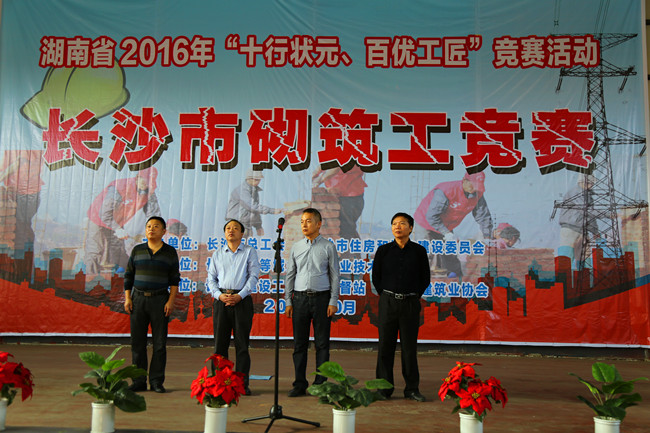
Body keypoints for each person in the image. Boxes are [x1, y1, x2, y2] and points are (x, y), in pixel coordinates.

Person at [372, 212, 430, 402]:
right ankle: (383, 389)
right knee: (385, 347)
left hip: (410, 303)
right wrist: (386, 295)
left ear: (410, 228)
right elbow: (376, 277)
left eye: (402, 223)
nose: (398, 227)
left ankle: (412, 389)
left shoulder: (419, 251)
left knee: (409, 348)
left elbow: (425, 278)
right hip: (388, 302)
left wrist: (413, 295)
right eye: (394, 223)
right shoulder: (383, 251)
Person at [284, 208, 340, 397]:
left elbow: (335, 275)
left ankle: (320, 384)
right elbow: (290, 274)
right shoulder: (296, 247)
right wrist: (288, 301)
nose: (304, 225)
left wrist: (333, 300)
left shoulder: (328, 246)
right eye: (302, 221)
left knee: (322, 344)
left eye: (308, 221)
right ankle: (299, 384)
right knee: (299, 344)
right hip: (299, 299)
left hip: (322, 299)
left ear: (318, 224)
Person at [123, 216, 180, 393]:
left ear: (163, 231)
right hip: (138, 300)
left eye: (156, 226)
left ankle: (156, 381)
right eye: (149, 226)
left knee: (159, 344)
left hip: (160, 300)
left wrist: (170, 301)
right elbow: (128, 276)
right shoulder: (137, 250)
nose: (151, 229)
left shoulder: (169, 252)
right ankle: (139, 381)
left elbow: (174, 280)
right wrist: (128, 298)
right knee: (137, 343)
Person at [206, 219, 260, 396]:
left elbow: (253, 276)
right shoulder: (218, 253)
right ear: (224, 233)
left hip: (242, 301)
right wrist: (219, 295)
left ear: (242, 233)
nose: (231, 230)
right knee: (220, 346)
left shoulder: (250, 252)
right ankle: (219, 383)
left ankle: (242, 384)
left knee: (242, 345)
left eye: (236, 228)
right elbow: (211, 279)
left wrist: (239, 296)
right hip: (221, 300)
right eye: (228, 228)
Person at [414, 172, 492, 277]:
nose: (474, 189)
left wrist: (487, 237)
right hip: (425, 223)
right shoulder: (446, 191)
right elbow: (432, 216)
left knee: (450, 252)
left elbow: (484, 217)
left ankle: (458, 280)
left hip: (446, 225)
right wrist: (446, 232)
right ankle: (420, 282)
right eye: (473, 185)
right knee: (427, 253)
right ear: (464, 180)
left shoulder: (478, 194)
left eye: (477, 186)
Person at [86, 167, 160, 274]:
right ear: (137, 178)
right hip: (98, 218)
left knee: (119, 250)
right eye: (144, 181)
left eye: (149, 182)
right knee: (95, 250)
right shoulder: (119, 188)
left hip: (118, 220)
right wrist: (117, 229)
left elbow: (154, 216)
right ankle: (90, 278)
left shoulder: (149, 191)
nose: (146, 185)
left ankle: (121, 278)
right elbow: (104, 214)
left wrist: (153, 232)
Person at [0, 150, 44, 259]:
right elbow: (3, 164)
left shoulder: (26, 145)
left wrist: (1, 177)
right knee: (20, 227)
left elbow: (20, 161)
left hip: (27, 193)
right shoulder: (11, 146)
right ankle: (22, 259)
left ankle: (21, 260)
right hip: (16, 192)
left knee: (21, 227)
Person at [312, 166, 367, 239]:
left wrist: (318, 180)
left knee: (346, 230)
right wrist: (314, 174)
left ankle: (350, 245)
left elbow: (336, 167)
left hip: (350, 197)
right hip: (339, 196)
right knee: (348, 229)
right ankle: (355, 245)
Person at [225, 169, 283, 236]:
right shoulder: (242, 190)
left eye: (259, 180)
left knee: (248, 241)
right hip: (236, 224)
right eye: (256, 180)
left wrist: (258, 226)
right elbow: (252, 207)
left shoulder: (253, 190)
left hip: (246, 225)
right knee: (238, 242)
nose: (258, 182)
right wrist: (272, 210)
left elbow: (254, 211)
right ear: (248, 179)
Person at [558, 174, 599, 267]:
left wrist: (595, 231)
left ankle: (585, 275)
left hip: (581, 230)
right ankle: (565, 276)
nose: (591, 185)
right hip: (570, 229)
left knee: (585, 259)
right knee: (567, 257)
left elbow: (590, 215)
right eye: (590, 183)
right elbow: (587, 211)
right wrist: (607, 214)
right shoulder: (575, 192)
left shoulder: (588, 195)